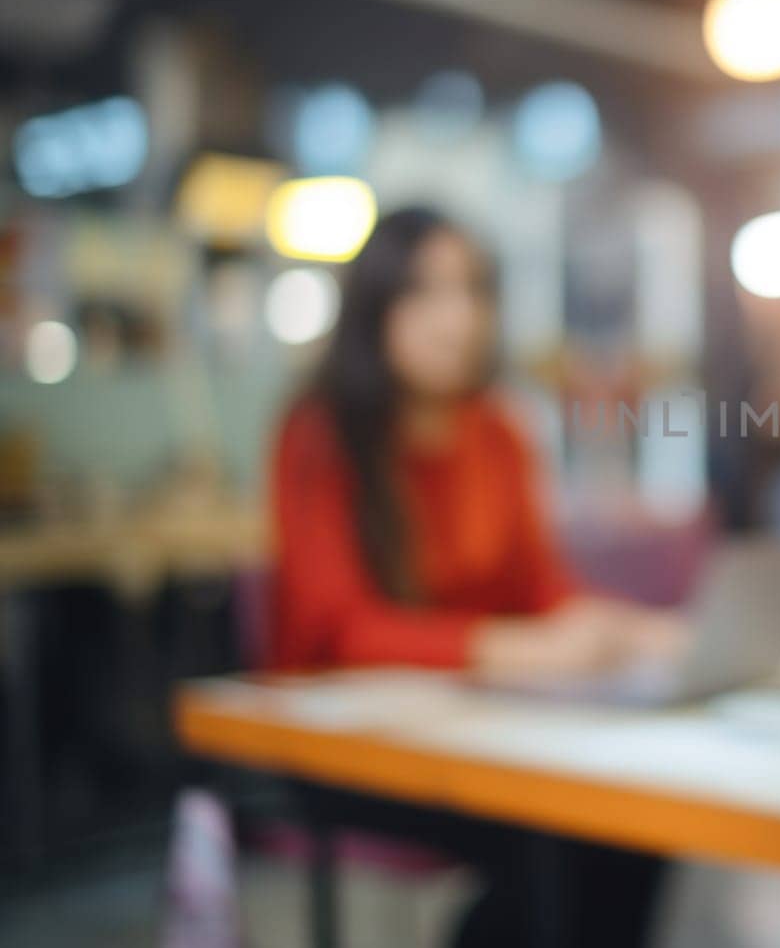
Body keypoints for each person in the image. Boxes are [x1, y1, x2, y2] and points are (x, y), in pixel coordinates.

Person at [269, 207, 671, 947]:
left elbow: (540, 586)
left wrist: (623, 629)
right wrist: (515, 649)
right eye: (426, 293)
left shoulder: (498, 431)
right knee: (556, 847)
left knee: (640, 820)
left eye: (473, 292)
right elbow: (338, 628)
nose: (458, 317)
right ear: (376, 308)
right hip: (352, 743)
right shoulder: (322, 433)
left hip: (474, 726)